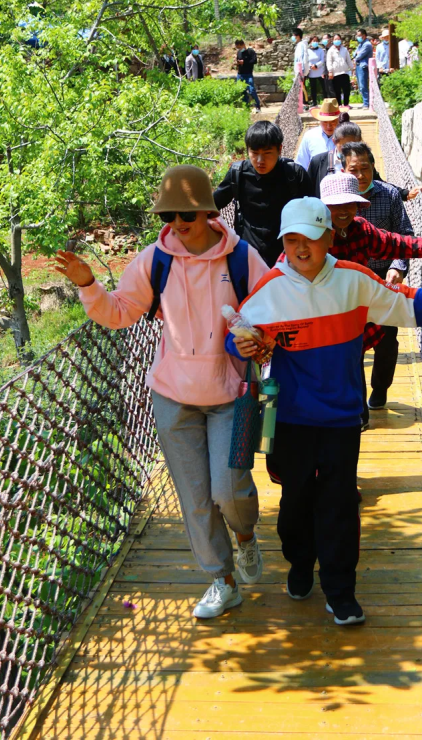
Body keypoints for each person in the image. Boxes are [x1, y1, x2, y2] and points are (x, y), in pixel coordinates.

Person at [228, 196, 422, 626]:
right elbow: (240, 334)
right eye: (291, 239)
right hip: (291, 418)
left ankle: (340, 589)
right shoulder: (270, 290)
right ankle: (299, 562)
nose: (300, 249)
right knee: (295, 502)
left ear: (329, 238)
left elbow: (407, 303)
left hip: (340, 419)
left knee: (338, 504)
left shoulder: (354, 281)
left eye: (310, 239)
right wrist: (239, 343)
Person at [55, 165, 269, 620]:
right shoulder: (155, 260)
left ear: (208, 212)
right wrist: (87, 285)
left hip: (233, 394)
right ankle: (222, 579)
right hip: (173, 396)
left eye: (185, 214)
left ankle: (246, 537)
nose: (177, 223)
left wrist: (260, 338)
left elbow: (273, 313)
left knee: (229, 493)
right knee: (194, 497)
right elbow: (119, 313)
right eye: (169, 213)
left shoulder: (243, 258)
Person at [321, 172, 422, 428]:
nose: (343, 211)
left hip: (352, 313)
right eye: (335, 206)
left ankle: (357, 418)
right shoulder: (314, 234)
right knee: (335, 366)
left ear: (358, 205)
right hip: (320, 316)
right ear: (324, 206)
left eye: (349, 204)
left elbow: (392, 242)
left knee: (353, 358)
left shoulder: (360, 229)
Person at [341, 141, 415, 410]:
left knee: (386, 339)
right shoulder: (335, 197)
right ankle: (357, 406)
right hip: (348, 279)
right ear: (342, 169)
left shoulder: (390, 195)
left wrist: (398, 266)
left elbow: (405, 234)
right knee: (352, 343)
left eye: (365, 168)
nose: (360, 175)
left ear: (374, 167)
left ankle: (380, 388)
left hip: (384, 277)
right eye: (353, 169)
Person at [214, 121, 313, 267]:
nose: (260, 161)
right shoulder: (238, 174)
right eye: (254, 153)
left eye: (267, 153)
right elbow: (211, 205)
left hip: (288, 257)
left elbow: (313, 214)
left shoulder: (294, 175)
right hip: (248, 257)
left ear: (280, 149)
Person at [308, 121, 420, 203]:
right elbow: (309, 192)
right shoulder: (319, 162)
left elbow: (379, 184)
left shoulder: (363, 163)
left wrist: (404, 194)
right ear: (334, 142)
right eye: (345, 146)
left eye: (355, 145)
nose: (350, 150)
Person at [295, 96, 345, 171]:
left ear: (338, 120)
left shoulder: (346, 136)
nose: (329, 126)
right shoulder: (310, 136)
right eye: (325, 122)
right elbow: (301, 165)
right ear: (319, 120)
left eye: (333, 121)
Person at [325, 33, 353, 107]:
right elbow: (329, 61)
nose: (337, 41)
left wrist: (352, 68)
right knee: (337, 90)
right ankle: (339, 104)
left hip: (344, 72)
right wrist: (330, 71)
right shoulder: (330, 51)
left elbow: (348, 60)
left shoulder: (344, 49)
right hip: (335, 73)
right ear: (332, 40)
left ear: (340, 40)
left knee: (346, 89)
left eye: (338, 39)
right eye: (335, 39)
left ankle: (346, 104)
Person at [235, 38, 261, 111]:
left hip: (248, 74)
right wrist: (237, 63)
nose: (239, 49)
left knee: (252, 90)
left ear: (243, 44)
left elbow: (254, 61)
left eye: (239, 47)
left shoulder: (250, 51)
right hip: (240, 74)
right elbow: (238, 61)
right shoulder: (239, 52)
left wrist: (244, 62)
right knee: (242, 91)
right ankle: (246, 107)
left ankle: (257, 106)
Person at [353, 28, 372, 108]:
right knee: (360, 85)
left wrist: (357, 55)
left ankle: (366, 103)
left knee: (363, 85)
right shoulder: (361, 44)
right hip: (358, 66)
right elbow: (354, 53)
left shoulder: (367, 44)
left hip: (363, 66)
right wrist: (356, 54)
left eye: (359, 35)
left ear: (364, 35)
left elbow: (359, 55)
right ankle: (365, 102)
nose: (358, 37)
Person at [307, 33, 327, 105]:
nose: (315, 42)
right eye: (313, 41)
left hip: (320, 71)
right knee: (313, 88)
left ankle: (326, 101)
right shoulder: (308, 51)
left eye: (316, 41)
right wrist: (311, 66)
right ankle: (314, 101)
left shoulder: (321, 50)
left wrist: (316, 65)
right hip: (312, 72)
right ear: (310, 42)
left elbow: (322, 60)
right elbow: (306, 60)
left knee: (324, 87)